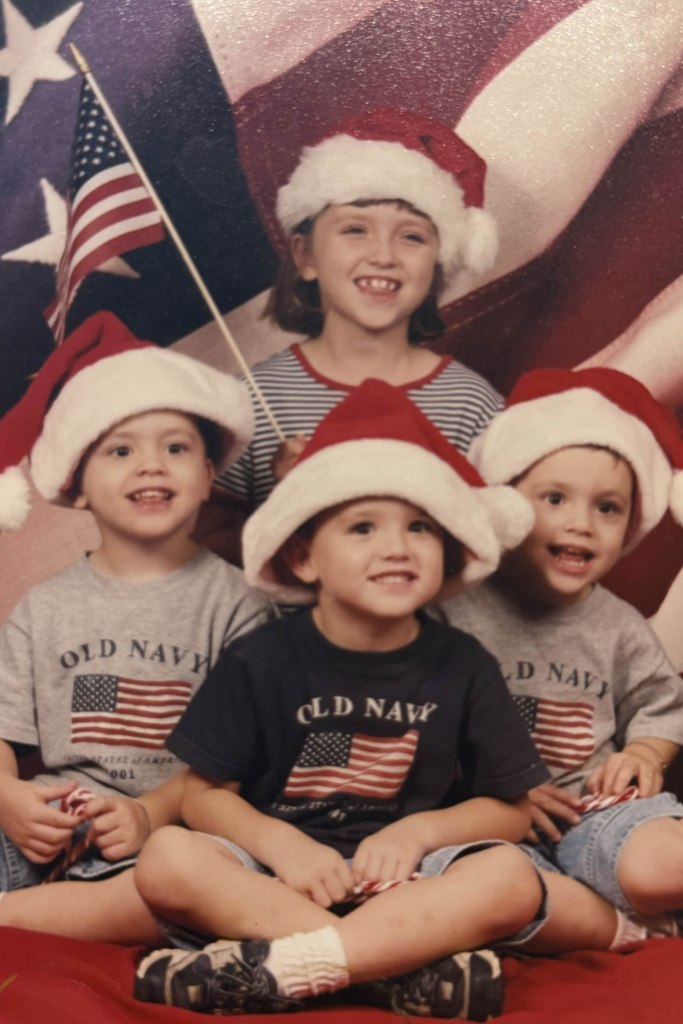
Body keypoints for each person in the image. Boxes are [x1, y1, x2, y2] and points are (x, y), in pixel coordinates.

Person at [132, 379, 549, 1020]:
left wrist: (420, 831)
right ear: (303, 557)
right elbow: (201, 794)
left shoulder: (463, 664)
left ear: (449, 548)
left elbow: (511, 811)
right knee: (165, 858)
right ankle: (390, 970)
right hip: (276, 879)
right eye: (362, 527)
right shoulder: (260, 659)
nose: (396, 546)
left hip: (411, 882)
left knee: (514, 878)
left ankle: (293, 969)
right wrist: (282, 846)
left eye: (419, 526)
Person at [0, 310, 272, 944]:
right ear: (76, 484)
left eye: (175, 447)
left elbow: (235, 764)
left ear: (208, 476)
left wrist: (149, 814)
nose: (150, 465)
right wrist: (8, 800)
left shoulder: (239, 606)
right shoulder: (42, 608)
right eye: (120, 450)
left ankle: (16, 921)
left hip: (175, 830)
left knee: (204, 879)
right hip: (52, 828)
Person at [440, 366, 683, 953]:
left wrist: (646, 754)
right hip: (485, 825)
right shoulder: (451, 609)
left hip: (593, 812)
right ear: (504, 504)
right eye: (554, 498)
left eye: (608, 508)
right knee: (485, 893)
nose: (581, 523)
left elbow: (662, 706)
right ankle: (624, 927)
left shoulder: (618, 625)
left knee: (659, 866)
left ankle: (635, 901)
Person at [197, 107, 503, 564]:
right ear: (305, 256)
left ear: (440, 263)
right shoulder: (249, 402)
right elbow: (210, 558)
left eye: (413, 237)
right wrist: (287, 507)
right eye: (355, 230)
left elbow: (497, 552)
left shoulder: (472, 405)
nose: (383, 256)